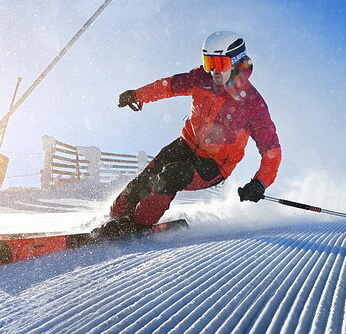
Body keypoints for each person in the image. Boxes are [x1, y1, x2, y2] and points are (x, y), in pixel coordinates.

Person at [94, 31, 282, 238]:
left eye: (219, 64)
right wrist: (138, 95)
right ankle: (112, 216)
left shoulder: (253, 105)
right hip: (186, 144)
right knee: (145, 178)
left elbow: (272, 150)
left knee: (171, 175)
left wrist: (259, 183)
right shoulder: (200, 78)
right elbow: (169, 86)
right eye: (208, 63)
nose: (213, 72)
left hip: (213, 165)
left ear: (236, 63)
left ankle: (137, 226)